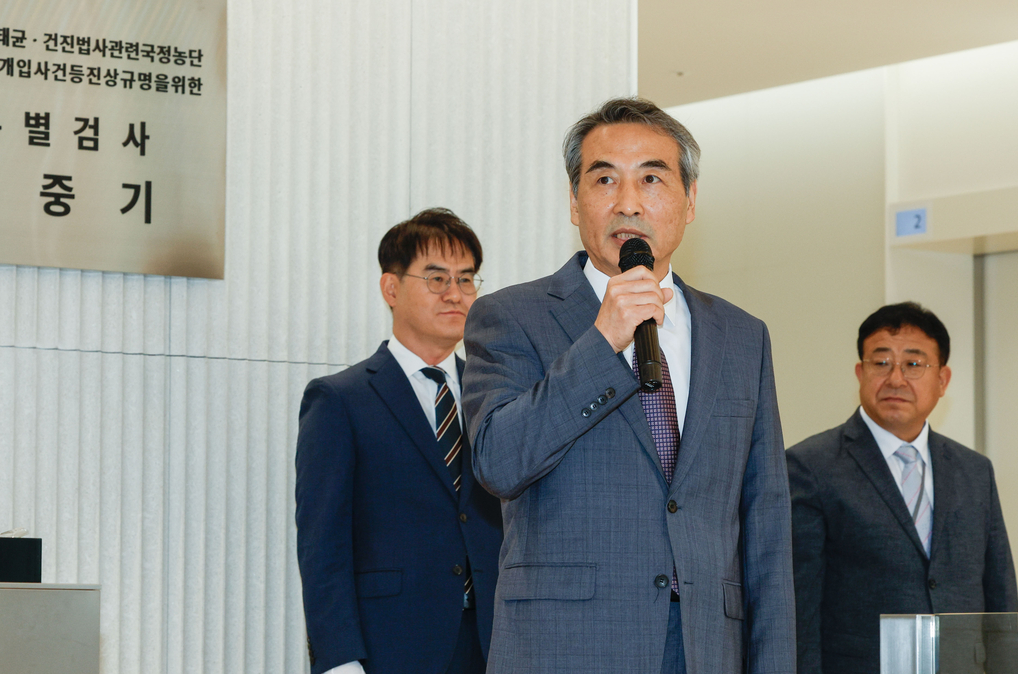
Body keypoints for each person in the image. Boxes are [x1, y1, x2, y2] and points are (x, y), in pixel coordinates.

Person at [461, 97, 795, 674]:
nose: (628, 202)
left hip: (705, 649)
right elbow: (499, 462)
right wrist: (602, 342)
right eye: (604, 179)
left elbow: (766, 521)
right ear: (574, 202)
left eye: (651, 178)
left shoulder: (742, 336)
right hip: (568, 650)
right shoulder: (511, 316)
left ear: (690, 201)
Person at [295, 208, 503, 674]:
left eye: (466, 279)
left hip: (492, 645)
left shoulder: (493, 393)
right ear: (391, 288)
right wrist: (339, 660)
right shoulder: (339, 400)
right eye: (437, 278)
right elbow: (322, 545)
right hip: (390, 646)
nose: (455, 294)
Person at [788, 302, 1018, 674]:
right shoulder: (810, 466)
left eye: (913, 364)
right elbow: (800, 609)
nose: (896, 379)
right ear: (860, 373)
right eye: (881, 363)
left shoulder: (975, 471)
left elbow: (1000, 601)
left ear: (942, 380)